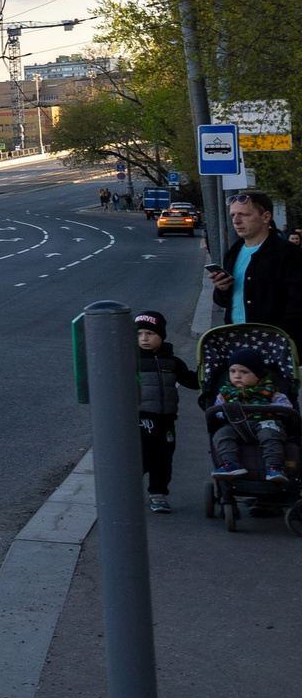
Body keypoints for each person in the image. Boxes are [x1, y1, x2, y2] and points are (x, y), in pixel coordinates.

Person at [130, 310, 197, 512]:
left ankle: (158, 493)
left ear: (161, 335)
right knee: (139, 457)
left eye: (150, 334)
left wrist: (208, 373)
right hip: (140, 419)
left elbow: (192, 382)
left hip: (166, 420)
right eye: (139, 334)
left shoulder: (173, 362)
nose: (144, 339)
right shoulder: (131, 361)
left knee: (163, 458)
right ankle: (125, 491)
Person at [210, 192, 302, 333]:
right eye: (233, 215)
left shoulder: (288, 253)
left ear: (266, 217)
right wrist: (221, 289)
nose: (236, 221)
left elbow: (297, 303)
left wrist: (281, 338)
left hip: (274, 343)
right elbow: (224, 302)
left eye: (244, 215)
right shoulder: (234, 252)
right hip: (236, 336)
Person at [205, 349, 294, 482]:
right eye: (233, 371)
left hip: (265, 421)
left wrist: (275, 410)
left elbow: (286, 406)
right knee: (221, 435)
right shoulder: (226, 392)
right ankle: (230, 464)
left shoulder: (268, 389)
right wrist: (222, 414)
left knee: (271, 435)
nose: (237, 376)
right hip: (237, 424)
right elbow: (217, 409)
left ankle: (275, 466)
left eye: (244, 372)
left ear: (258, 375)